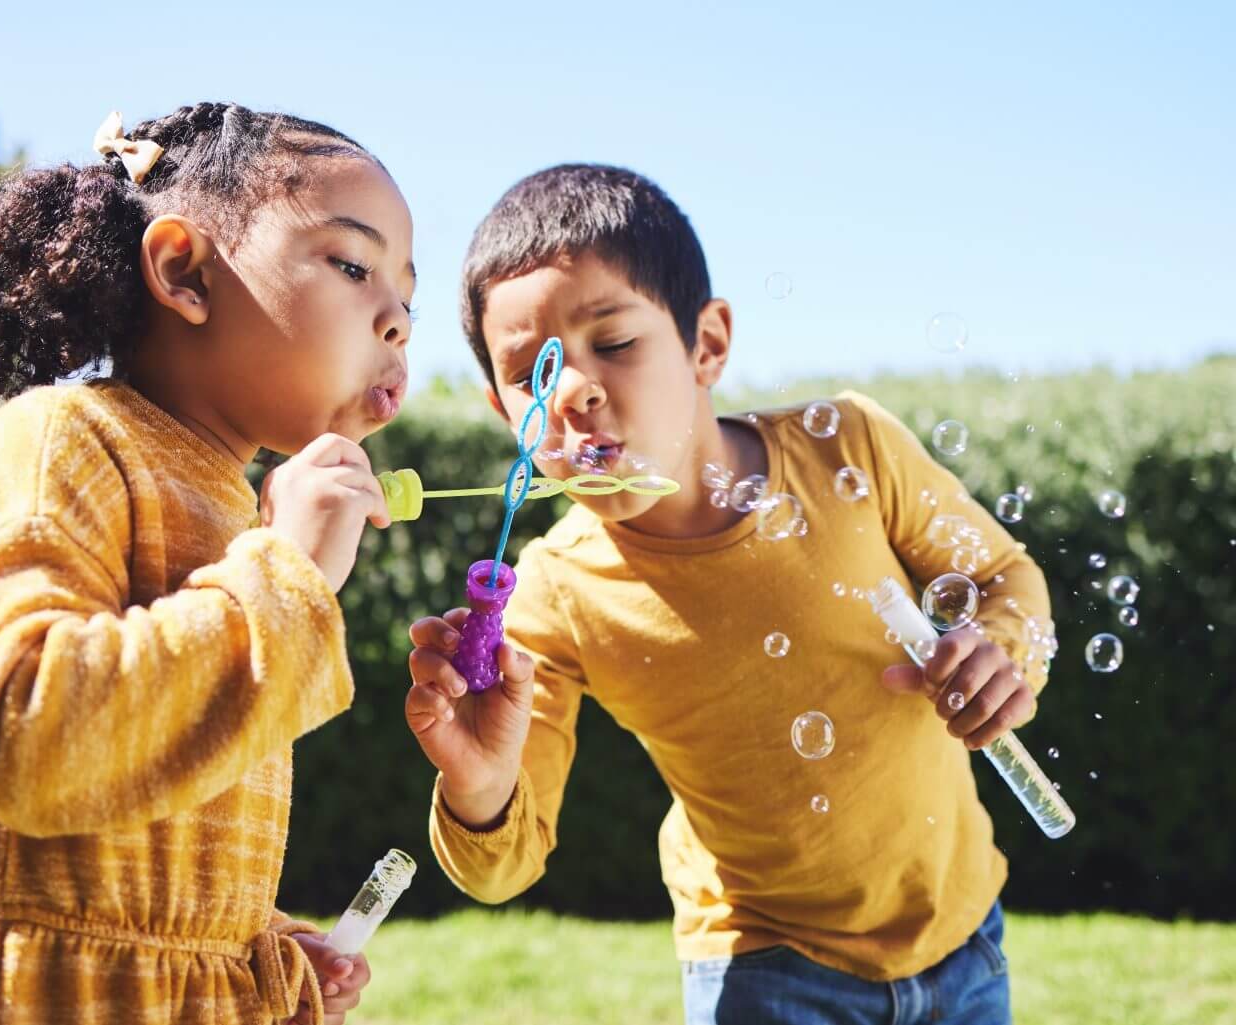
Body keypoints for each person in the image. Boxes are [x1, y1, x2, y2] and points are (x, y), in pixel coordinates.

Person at [0, 102, 415, 1025]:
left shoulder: (234, 505)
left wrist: (241, 947)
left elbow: (141, 821)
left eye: (405, 299)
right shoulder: (62, 441)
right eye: (353, 266)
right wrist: (284, 578)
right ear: (184, 272)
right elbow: (19, 734)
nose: (396, 322)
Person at [405, 163, 1053, 1023]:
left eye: (615, 341)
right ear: (502, 411)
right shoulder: (553, 595)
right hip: (761, 962)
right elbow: (502, 866)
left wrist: (1002, 649)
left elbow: (1005, 576)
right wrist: (478, 786)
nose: (575, 390)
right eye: (533, 372)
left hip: (963, 928)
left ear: (706, 344)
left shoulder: (848, 449)